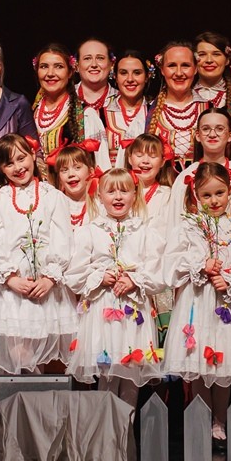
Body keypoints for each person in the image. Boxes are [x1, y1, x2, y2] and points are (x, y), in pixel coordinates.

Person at [160, 167, 231, 437]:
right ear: (196, 195)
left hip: (227, 307)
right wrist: (200, 265)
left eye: (219, 193)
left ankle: (220, 421)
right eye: (207, 195)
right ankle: (200, 418)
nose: (214, 200)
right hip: (197, 303)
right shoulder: (187, 229)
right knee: (198, 363)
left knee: (224, 365)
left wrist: (230, 279)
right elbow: (171, 266)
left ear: (229, 192)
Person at [0, 133, 75, 373]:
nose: (18, 167)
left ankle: (42, 398)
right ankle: (20, 397)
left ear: (32, 155)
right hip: (11, 290)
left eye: (21, 158)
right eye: (9, 163)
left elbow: (62, 239)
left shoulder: (53, 196)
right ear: (1, 168)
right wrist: (10, 278)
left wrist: (49, 277)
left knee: (45, 355)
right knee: (19, 354)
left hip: (45, 287)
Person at [65, 163, 165, 398]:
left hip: (133, 312)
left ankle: (127, 421)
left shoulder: (144, 232)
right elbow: (74, 275)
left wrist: (134, 280)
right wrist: (100, 277)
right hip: (102, 311)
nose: (118, 197)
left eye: (124, 191)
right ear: (100, 196)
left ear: (134, 195)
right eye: (111, 191)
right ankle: (105, 421)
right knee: (107, 374)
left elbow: (158, 273)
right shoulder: (90, 231)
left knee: (131, 373)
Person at [149, 42, 207, 163]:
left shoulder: (209, 109)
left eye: (185, 65)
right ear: (162, 70)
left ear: (195, 69)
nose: (179, 73)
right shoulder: (148, 111)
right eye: (172, 66)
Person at [98, 51, 152, 165]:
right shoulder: (100, 115)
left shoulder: (155, 112)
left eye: (137, 73)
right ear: (115, 77)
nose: (130, 79)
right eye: (123, 73)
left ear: (147, 77)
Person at [29, 44, 81, 159]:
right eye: (44, 66)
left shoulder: (83, 113)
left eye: (59, 67)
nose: (50, 73)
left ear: (70, 72)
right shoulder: (30, 110)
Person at [192, 31, 231, 107]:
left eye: (216, 54)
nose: (209, 60)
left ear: (227, 60)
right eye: (202, 54)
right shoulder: (183, 94)